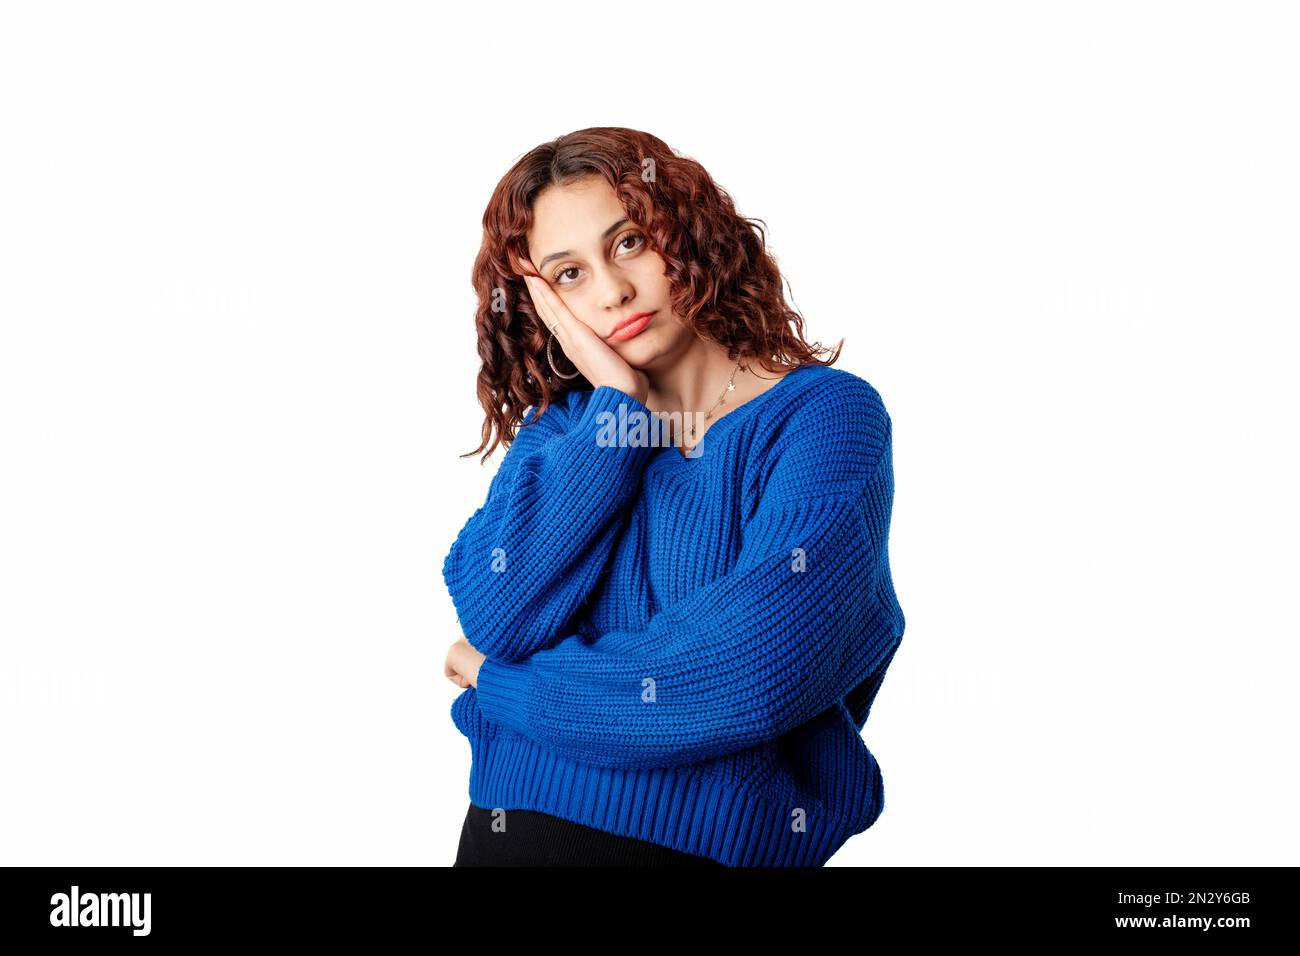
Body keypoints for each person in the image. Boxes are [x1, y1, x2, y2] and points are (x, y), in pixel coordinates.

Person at [442, 127, 905, 867]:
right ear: (544, 305)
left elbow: (746, 675)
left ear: (683, 235)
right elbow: (497, 612)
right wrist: (618, 405)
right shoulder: (570, 429)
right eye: (568, 275)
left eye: (626, 243)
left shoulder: (822, 418)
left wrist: (505, 687)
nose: (611, 290)